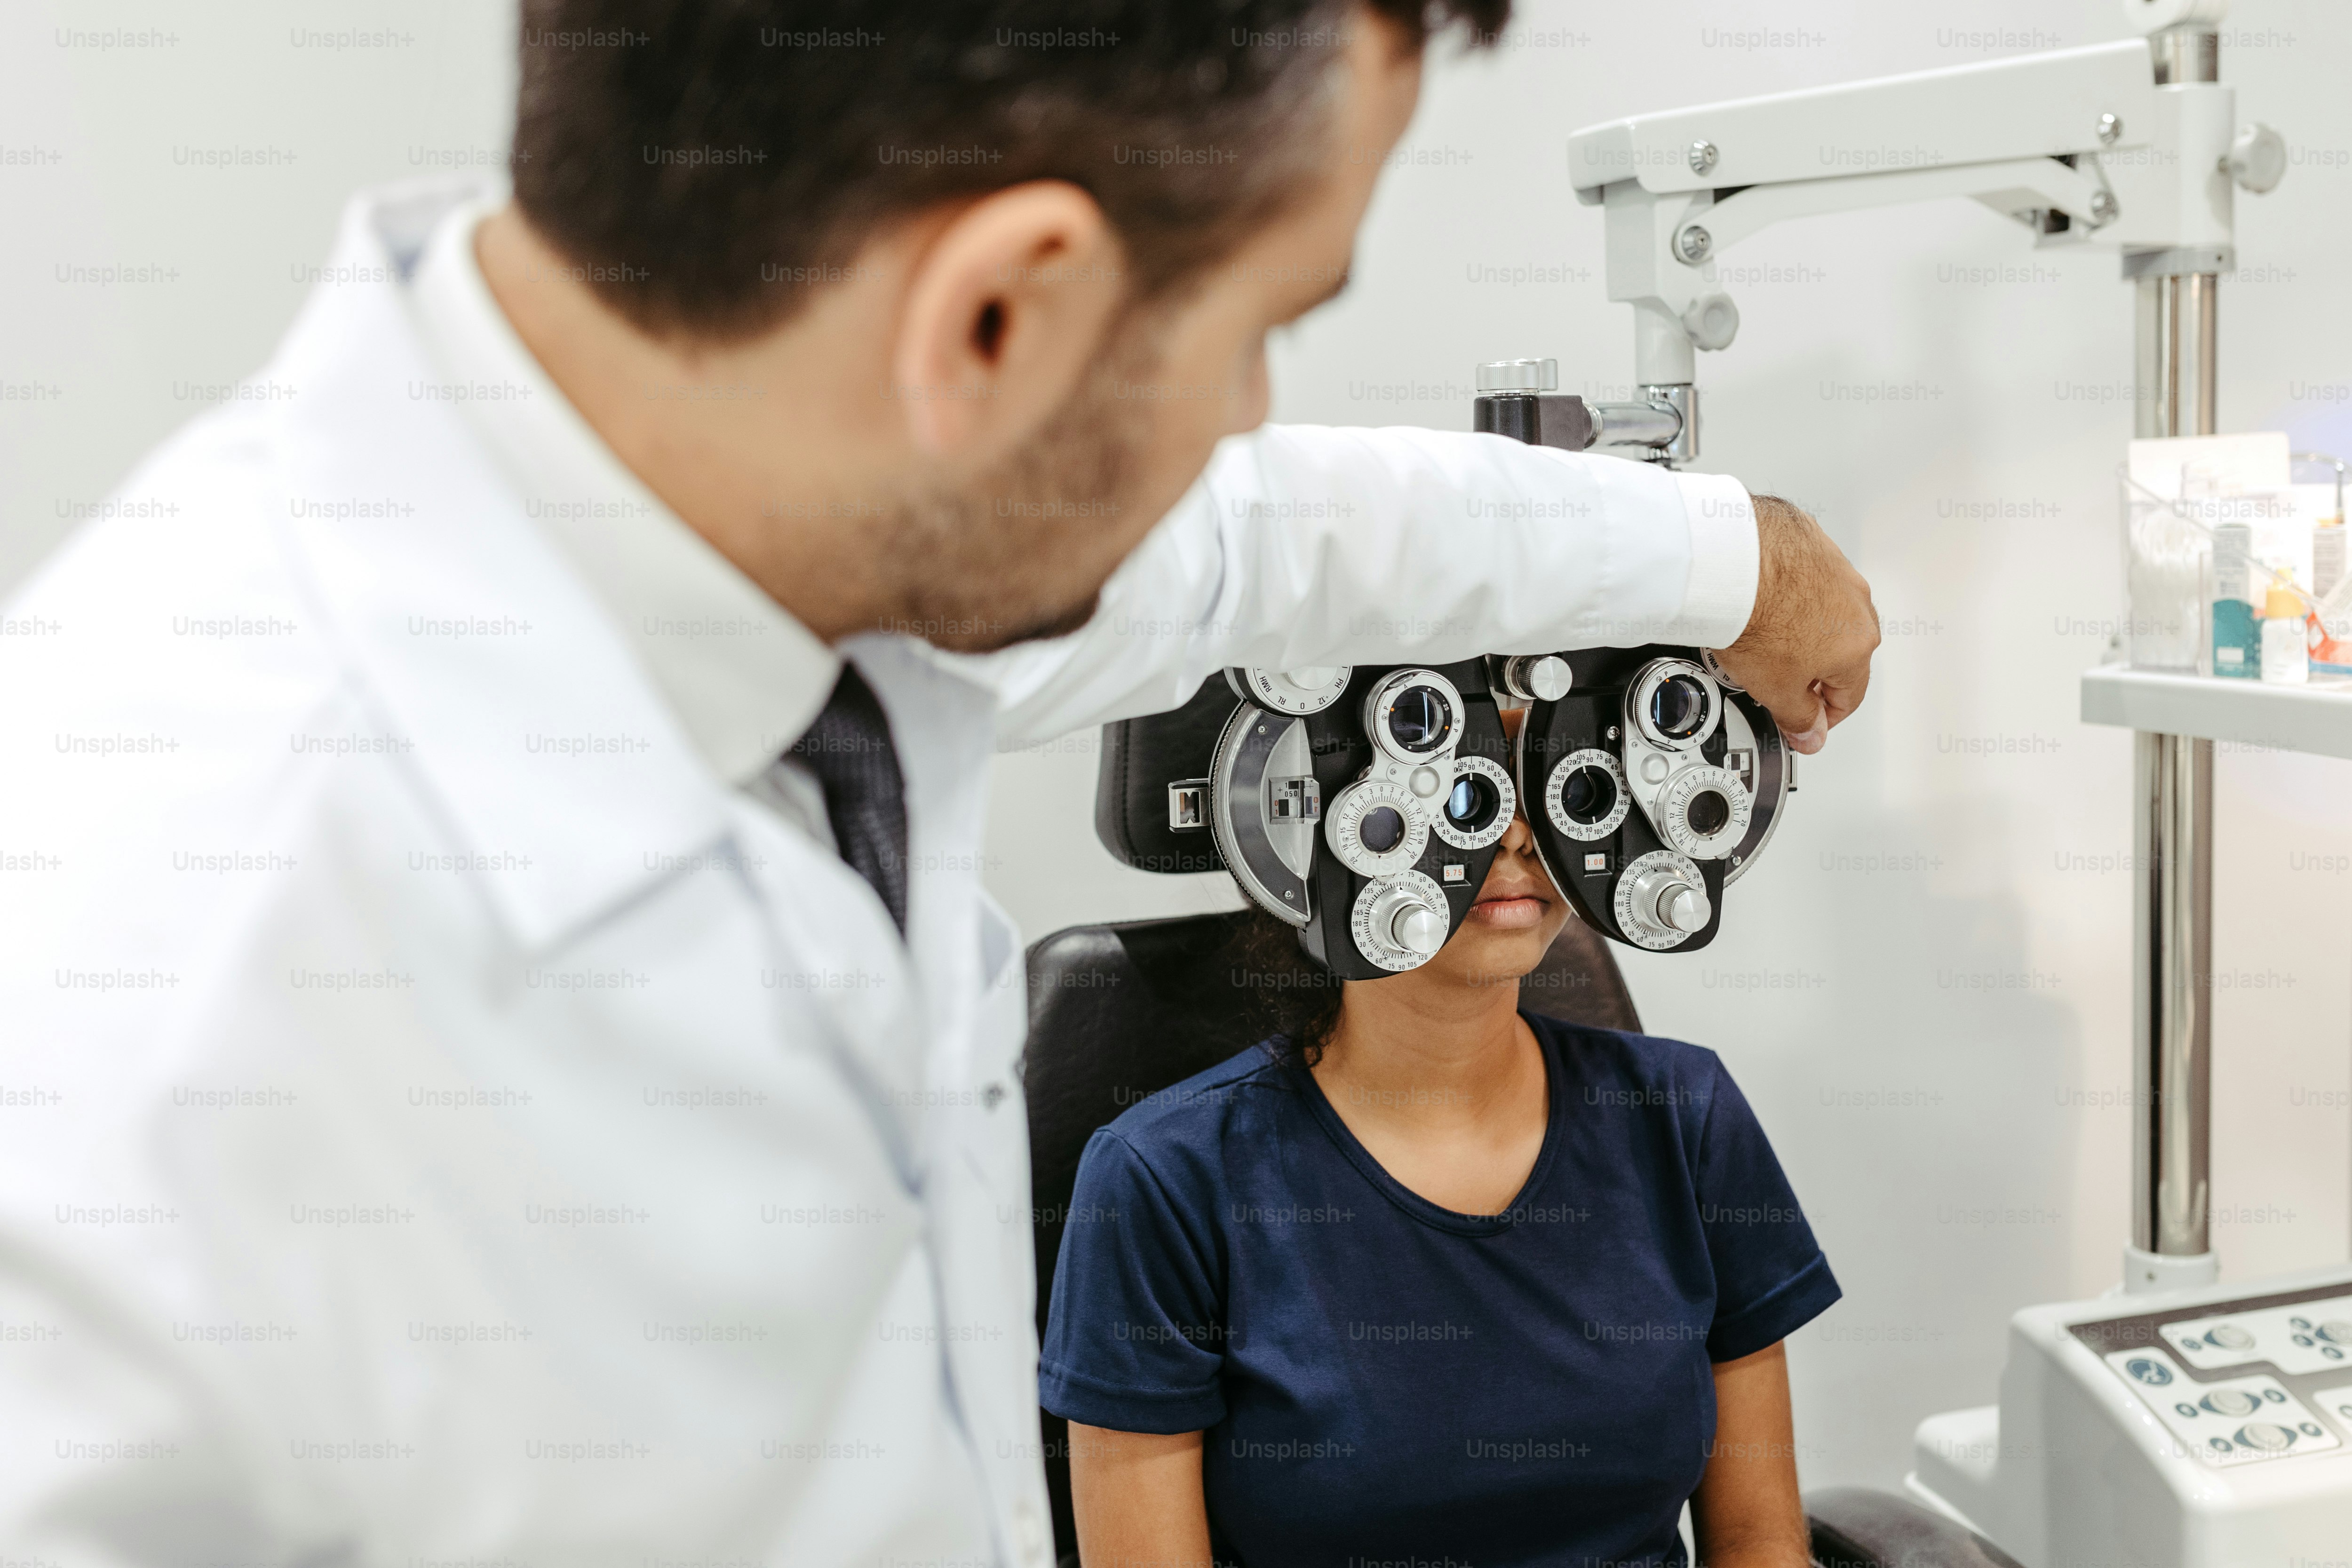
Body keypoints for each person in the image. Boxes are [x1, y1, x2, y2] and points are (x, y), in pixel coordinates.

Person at [0, 3, 1876, 1565]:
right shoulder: (146, 1013)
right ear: (992, 322)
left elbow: (1286, 540)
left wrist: (1721, 556)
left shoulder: (804, 551)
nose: (1247, 418)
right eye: (1252, 327)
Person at [1043, 708, 1838, 1568]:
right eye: (1460, 781)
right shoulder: (1164, 1179)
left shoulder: (1684, 1115)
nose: (1520, 832)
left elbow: (1758, 1537)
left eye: (1547, 767)